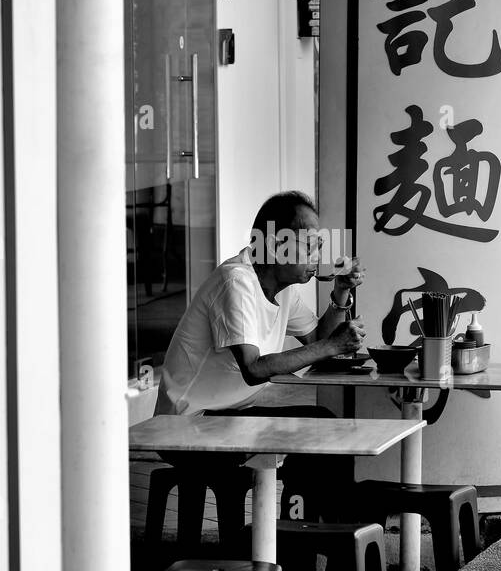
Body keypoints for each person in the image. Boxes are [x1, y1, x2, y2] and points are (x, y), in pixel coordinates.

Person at [155, 190, 364, 519]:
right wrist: (333, 345)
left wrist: (341, 293)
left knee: (325, 429)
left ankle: (312, 545)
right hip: (188, 422)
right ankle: (295, 550)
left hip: (230, 416)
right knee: (319, 427)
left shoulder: (284, 291)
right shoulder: (236, 283)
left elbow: (318, 339)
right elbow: (253, 368)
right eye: (309, 245)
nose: (318, 254)